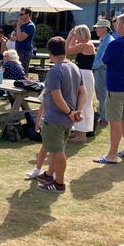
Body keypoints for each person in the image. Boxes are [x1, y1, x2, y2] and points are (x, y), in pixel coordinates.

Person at [34, 37, 85, 193]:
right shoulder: (74, 67)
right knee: (58, 148)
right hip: (67, 119)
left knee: (58, 151)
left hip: (56, 117)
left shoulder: (55, 70)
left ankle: (59, 183)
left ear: (50, 53)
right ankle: (50, 175)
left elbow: (56, 95)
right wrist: (77, 111)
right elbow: (83, 91)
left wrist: (70, 112)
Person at [94, 13, 124, 165]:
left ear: (121, 25)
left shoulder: (115, 44)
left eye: (116, 24)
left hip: (116, 87)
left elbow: (105, 61)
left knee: (115, 122)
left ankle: (112, 155)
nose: (114, 26)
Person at [65, 25, 96, 143]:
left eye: (77, 35)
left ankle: (82, 134)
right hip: (84, 74)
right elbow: (71, 48)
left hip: (85, 75)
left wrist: (69, 37)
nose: (75, 37)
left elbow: (67, 50)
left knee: (82, 104)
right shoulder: (86, 44)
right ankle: (79, 131)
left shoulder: (86, 45)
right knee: (81, 103)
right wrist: (73, 37)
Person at [91, 18, 114, 128]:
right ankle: (103, 116)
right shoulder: (105, 40)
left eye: (98, 27)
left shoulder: (108, 41)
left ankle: (104, 118)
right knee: (102, 95)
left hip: (102, 71)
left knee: (102, 95)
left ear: (105, 28)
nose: (96, 30)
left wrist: (91, 66)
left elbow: (103, 60)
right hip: (101, 71)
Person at [12, 7, 36, 75]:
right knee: (17, 70)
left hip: (25, 51)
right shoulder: (21, 24)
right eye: (19, 14)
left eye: (22, 14)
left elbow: (20, 39)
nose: (20, 16)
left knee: (23, 71)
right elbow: (11, 36)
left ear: (28, 14)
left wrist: (18, 27)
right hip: (18, 49)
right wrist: (18, 35)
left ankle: (25, 84)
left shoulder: (30, 26)